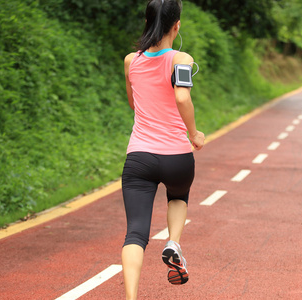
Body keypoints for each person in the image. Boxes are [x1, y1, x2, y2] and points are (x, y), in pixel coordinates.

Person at [121, 0, 205, 299]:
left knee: (135, 233)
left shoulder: (132, 60)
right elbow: (182, 98)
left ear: (147, 21)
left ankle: (130, 297)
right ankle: (173, 242)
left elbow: (133, 103)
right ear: (176, 25)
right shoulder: (181, 58)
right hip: (177, 157)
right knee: (178, 196)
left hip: (139, 158)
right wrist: (194, 134)